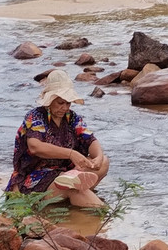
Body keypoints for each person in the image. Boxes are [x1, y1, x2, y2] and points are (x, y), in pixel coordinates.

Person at [6, 70, 109, 207]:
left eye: (68, 103)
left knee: (104, 162)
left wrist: (98, 157)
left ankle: (74, 190)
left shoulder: (72, 117)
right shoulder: (35, 117)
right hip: (35, 177)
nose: (65, 108)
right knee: (72, 187)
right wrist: (71, 154)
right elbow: (35, 146)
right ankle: (96, 207)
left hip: (65, 172)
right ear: (50, 100)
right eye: (60, 103)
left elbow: (90, 139)